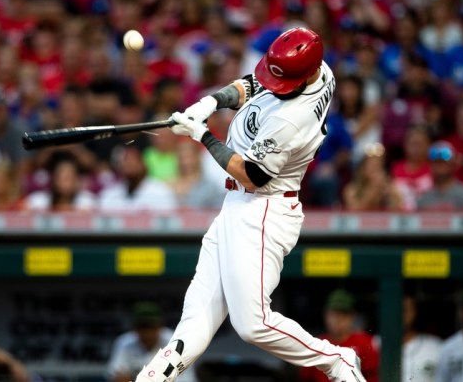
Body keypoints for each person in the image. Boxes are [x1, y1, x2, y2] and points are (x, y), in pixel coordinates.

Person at [132, 28, 366, 382]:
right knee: (196, 319)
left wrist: (202, 135)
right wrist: (212, 102)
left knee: (252, 324)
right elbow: (258, 83)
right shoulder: (321, 70)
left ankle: (336, 360)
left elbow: (250, 174)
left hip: (263, 210)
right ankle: (152, 377)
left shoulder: (292, 120)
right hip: (236, 207)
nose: (275, 80)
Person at [298, 290, 380, 382]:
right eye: (334, 314)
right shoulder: (315, 344)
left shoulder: (365, 342)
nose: (338, 319)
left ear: (352, 316)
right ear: (325, 314)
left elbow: (373, 377)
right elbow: (305, 378)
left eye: (343, 314)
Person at [107, 302, 196, 382]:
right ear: (135, 328)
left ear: (160, 326)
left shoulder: (176, 342)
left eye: (150, 326)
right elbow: (117, 376)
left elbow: (186, 379)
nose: (146, 332)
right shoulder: (124, 343)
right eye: (142, 327)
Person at [416, 142, 463, 211]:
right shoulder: (423, 199)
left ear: (453, 165)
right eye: (437, 162)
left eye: (444, 162)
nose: (440, 166)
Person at [402, 295, 442, 382]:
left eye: (407, 309)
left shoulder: (436, 346)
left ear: (416, 311)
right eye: (399, 309)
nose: (403, 313)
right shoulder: (375, 344)